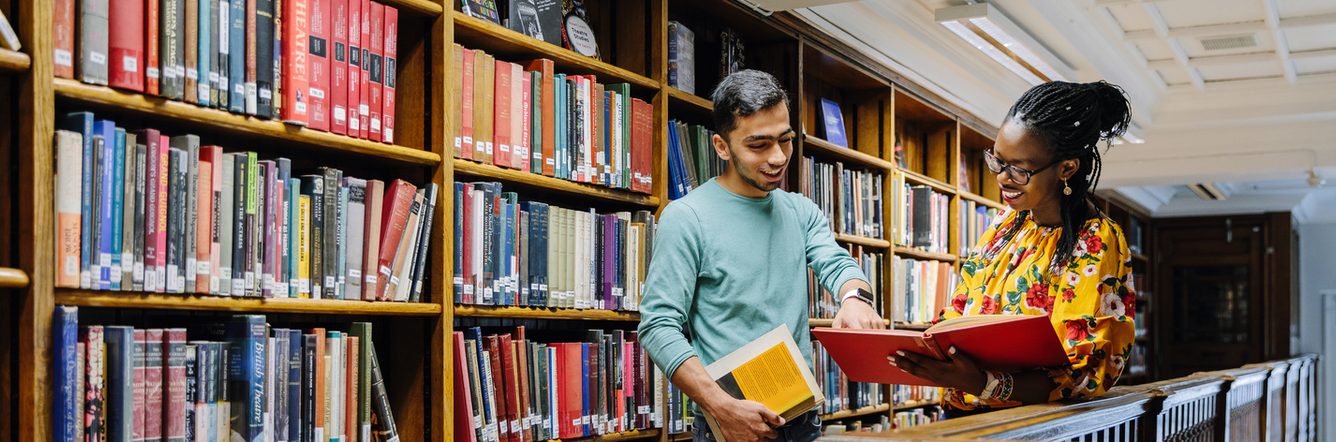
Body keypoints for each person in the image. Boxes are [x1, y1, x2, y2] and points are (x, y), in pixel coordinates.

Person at [638, 69, 885, 442]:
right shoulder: (687, 217)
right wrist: (722, 407)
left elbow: (837, 265)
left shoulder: (801, 210)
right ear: (722, 146)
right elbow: (657, 326)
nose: (777, 157)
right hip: (730, 423)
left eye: (784, 140)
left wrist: (855, 299)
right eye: (758, 145)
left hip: (803, 423)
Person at [887, 81, 1137, 415]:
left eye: (1019, 169)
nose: (1003, 178)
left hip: (1028, 426)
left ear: (1067, 168)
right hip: (960, 418)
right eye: (997, 161)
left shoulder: (1097, 241)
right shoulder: (1005, 223)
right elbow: (961, 308)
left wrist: (981, 383)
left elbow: (1082, 375)